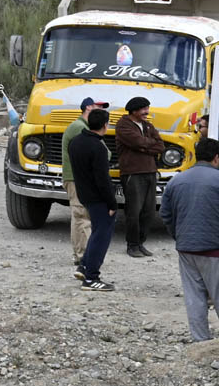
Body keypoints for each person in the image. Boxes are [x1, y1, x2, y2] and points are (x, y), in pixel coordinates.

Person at [160, 138, 219, 342]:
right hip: (218, 249)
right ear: (216, 157)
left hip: (187, 248)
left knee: (194, 297)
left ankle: (200, 339)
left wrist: (179, 234)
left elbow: (166, 214)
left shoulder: (176, 180)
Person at [67, 108, 118, 291]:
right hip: (98, 197)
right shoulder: (98, 147)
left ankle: (84, 266)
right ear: (106, 125)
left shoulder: (75, 142)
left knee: (97, 232)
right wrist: (112, 202)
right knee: (101, 235)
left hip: (84, 194)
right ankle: (91, 278)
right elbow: (102, 179)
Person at [116, 96, 165, 258]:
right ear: (134, 110)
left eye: (147, 108)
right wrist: (146, 145)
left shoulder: (147, 125)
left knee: (149, 211)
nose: (147, 112)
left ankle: (141, 243)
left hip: (150, 172)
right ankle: (132, 245)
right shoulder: (123, 125)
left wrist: (145, 147)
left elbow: (160, 146)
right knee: (134, 211)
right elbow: (137, 142)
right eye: (144, 109)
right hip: (133, 173)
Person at [64, 97, 109, 269]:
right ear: (87, 108)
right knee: (82, 216)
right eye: (98, 108)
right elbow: (100, 152)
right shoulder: (79, 127)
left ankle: (80, 254)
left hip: (77, 177)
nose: (102, 112)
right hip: (77, 178)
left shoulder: (82, 127)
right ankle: (84, 257)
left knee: (78, 216)